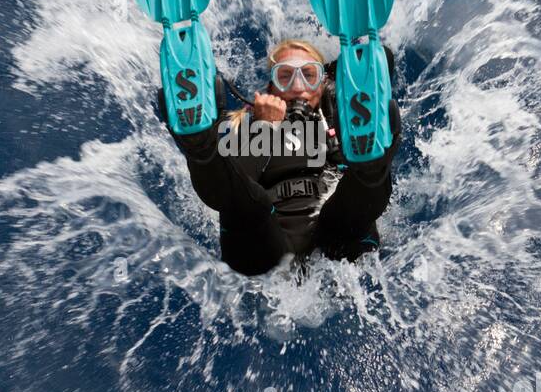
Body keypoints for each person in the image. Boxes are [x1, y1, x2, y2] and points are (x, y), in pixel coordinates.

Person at [166, 38, 401, 276]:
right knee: (251, 202)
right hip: (264, 246)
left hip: (339, 234)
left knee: (359, 180)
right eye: (285, 76)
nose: (297, 87)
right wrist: (265, 127)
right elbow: (228, 193)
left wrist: (346, 62)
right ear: (271, 87)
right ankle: (198, 145)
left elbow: (381, 57)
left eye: (308, 75)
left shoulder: (347, 115)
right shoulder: (239, 123)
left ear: (324, 82)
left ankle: (372, 166)